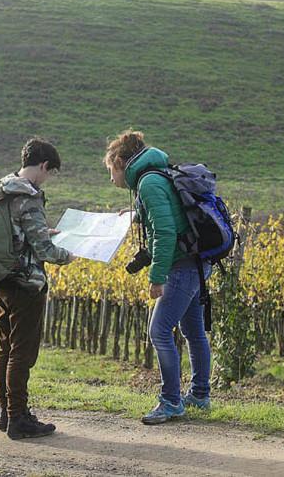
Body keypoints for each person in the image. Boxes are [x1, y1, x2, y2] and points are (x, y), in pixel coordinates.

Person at [104, 129, 212, 425]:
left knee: (159, 331)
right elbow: (168, 216)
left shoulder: (149, 182)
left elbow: (164, 233)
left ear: (121, 162)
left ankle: (170, 401)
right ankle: (200, 395)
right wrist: (137, 212)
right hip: (196, 262)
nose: (111, 179)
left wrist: (157, 276)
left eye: (111, 171)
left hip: (181, 267)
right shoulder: (156, 174)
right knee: (193, 331)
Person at [0, 136, 75, 440]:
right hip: (26, 284)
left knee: (6, 347)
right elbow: (44, 250)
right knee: (22, 353)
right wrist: (68, 254)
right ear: (43, 165)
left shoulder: (5, 188)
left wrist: (44, 232)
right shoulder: (29, 196)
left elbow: (20, 233)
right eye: (50, 173)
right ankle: (18, 419)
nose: (48, 179)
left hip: (1, 279)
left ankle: (6, 413)